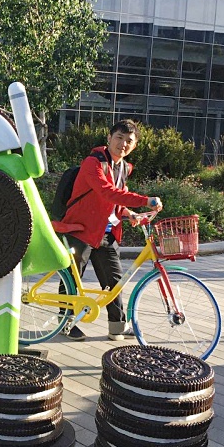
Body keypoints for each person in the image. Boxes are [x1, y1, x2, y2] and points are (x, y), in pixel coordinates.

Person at [58, 119, 162, 341]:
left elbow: (115, 201)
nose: (123, 144)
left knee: (115, 280)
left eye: (129, 141)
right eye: (119, 138)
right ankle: (65, 323)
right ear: (108, 138)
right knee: (71, 278)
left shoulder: (123, 167)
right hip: (81, 229)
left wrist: (129, 214)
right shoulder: (93, 163)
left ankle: (117, 327)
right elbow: (107, 192)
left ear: (134, 146)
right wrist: (145, 200)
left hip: (106, 233)